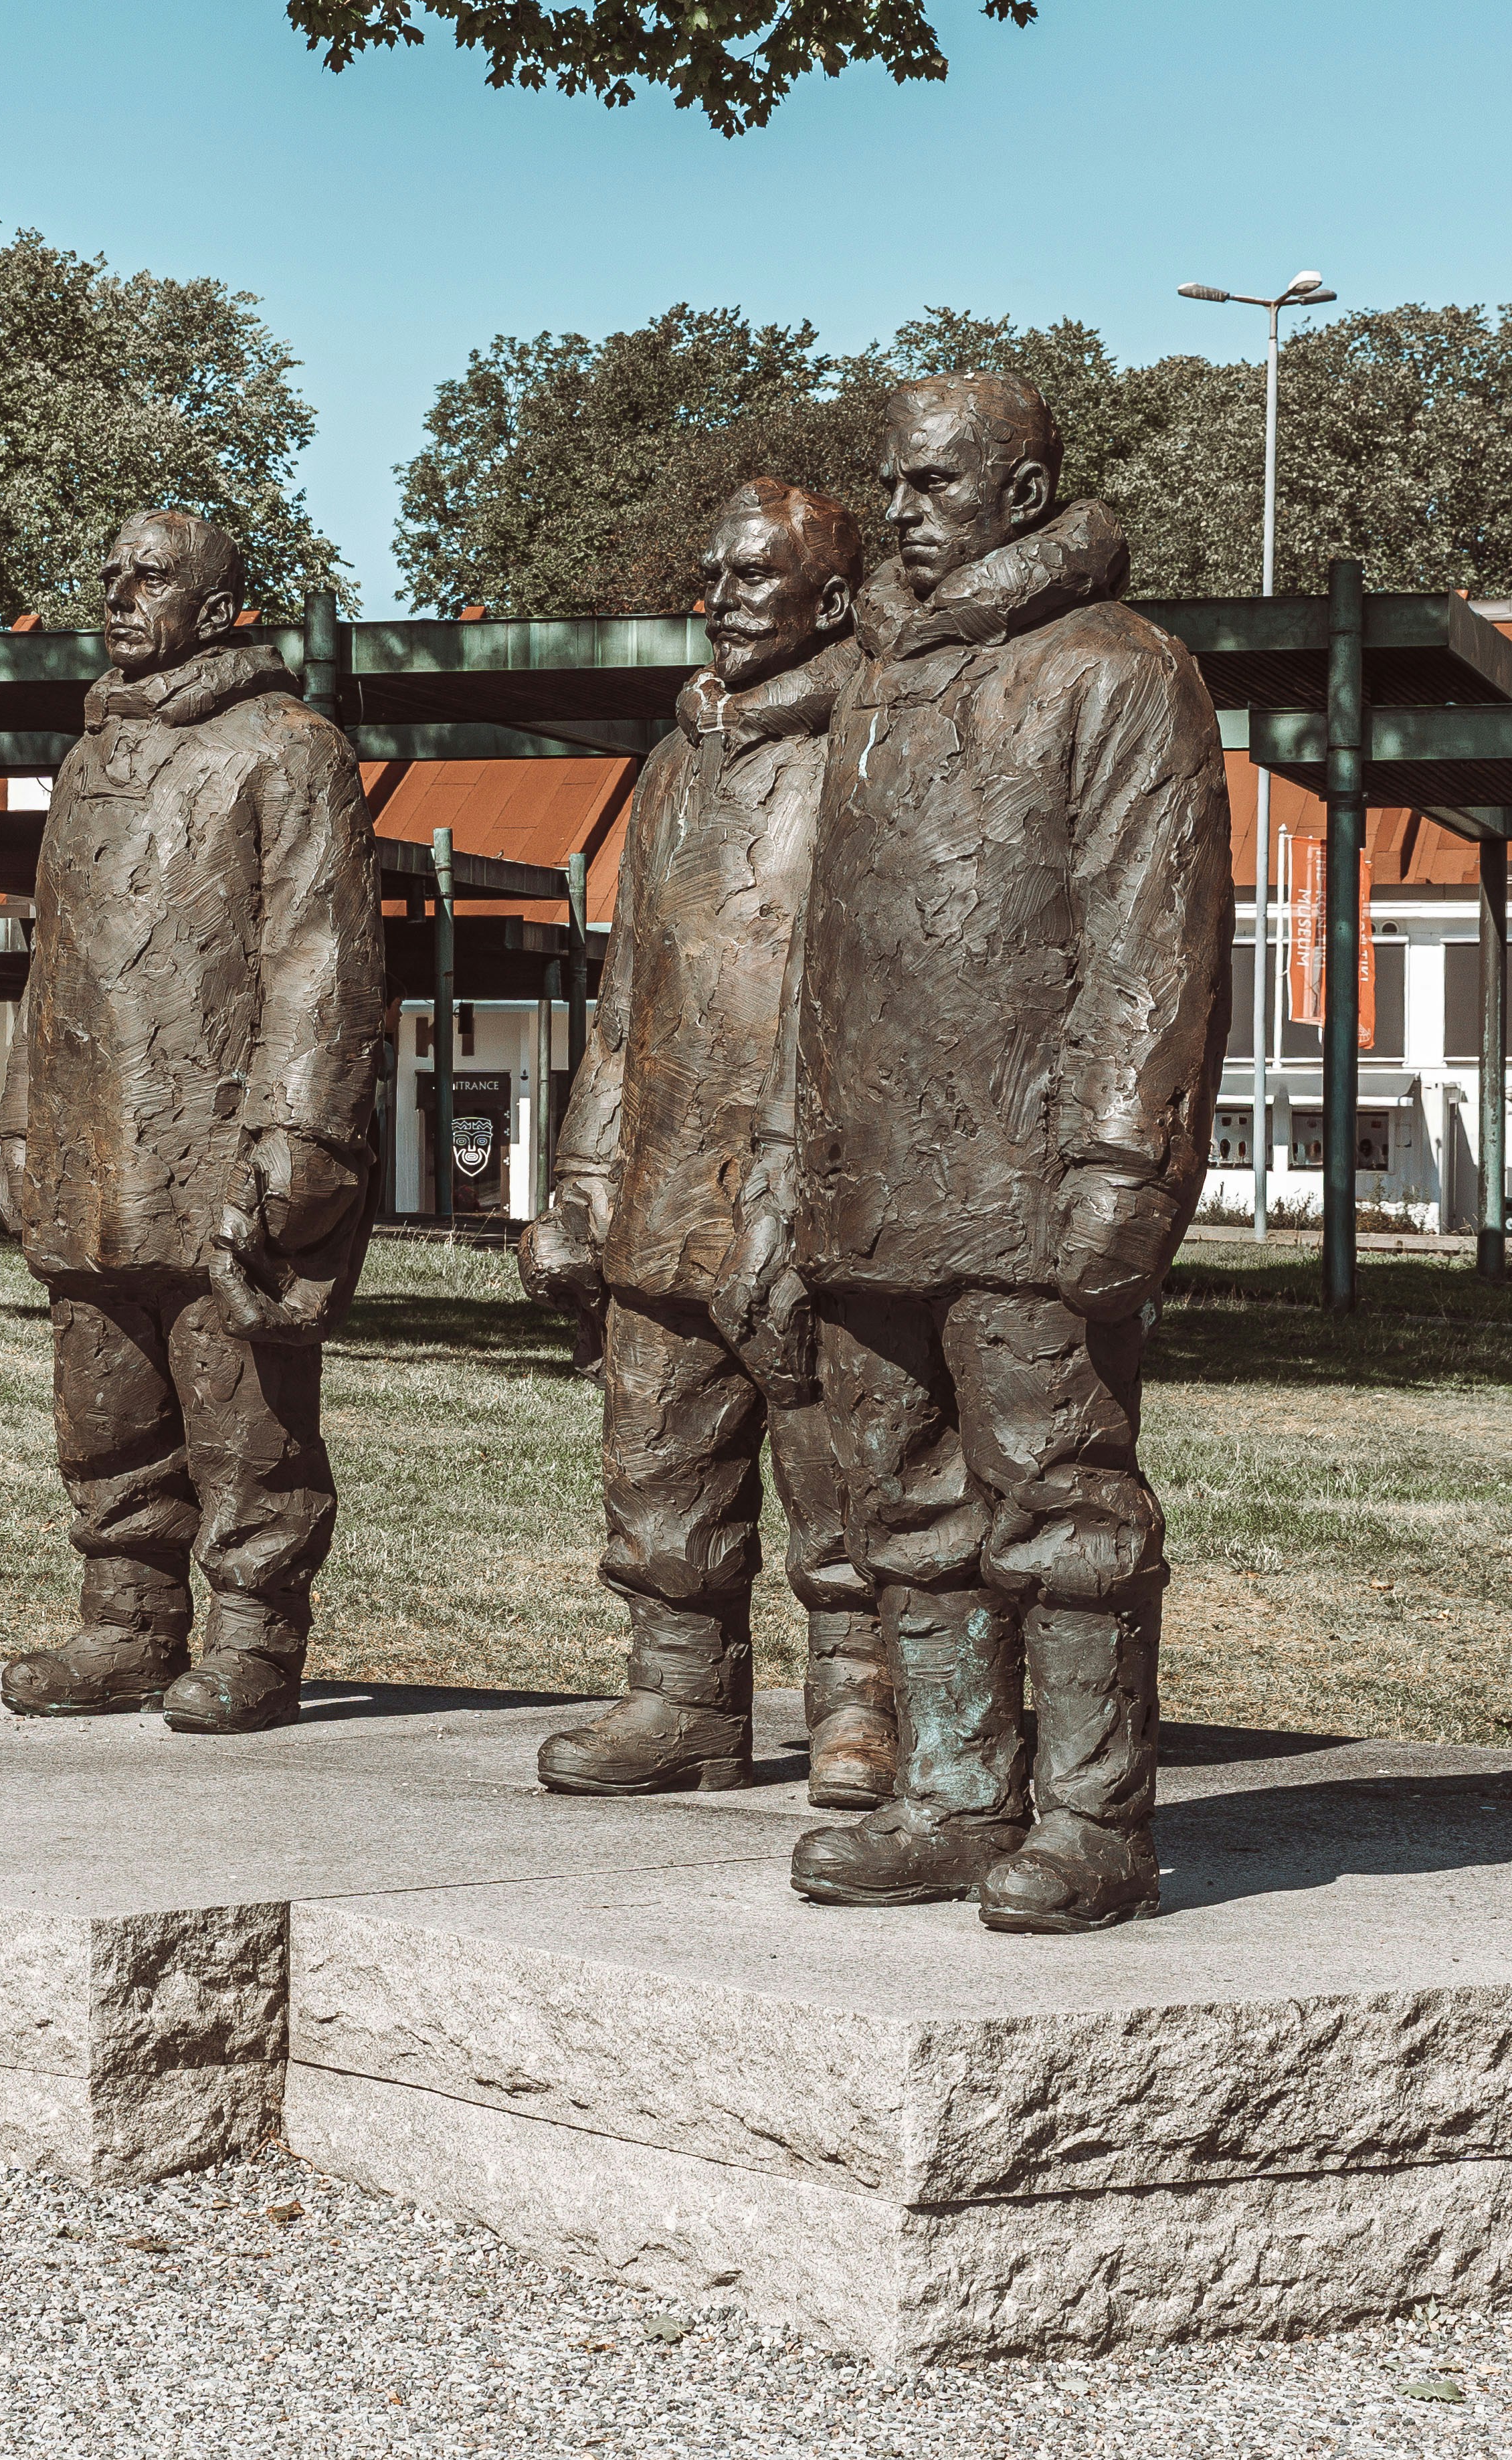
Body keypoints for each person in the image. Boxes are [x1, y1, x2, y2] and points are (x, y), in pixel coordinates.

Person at [520, 478, 1126, 1802]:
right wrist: (577, 1176)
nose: (719, 600)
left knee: (839, 1457)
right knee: (656, 1446)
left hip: (820, 1166)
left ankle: (862, 1699)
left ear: (832, 599)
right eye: (712, 576)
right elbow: (629, 988)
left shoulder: (874, 733)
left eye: (750, 578)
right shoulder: (676, 758)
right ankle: (677, 1691)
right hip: (665, 1166)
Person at [748, 371, 1230, 1935]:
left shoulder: (1118, 671)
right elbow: (816, 960)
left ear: (1020, 495)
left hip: (1029, 1176)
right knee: (901, 1502)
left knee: (1062, 1501)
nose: (897, 509)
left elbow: (1151, 937)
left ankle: (1093, 1815)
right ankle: (952, 1791)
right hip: (866, 1173)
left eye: (931, 481)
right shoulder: (874, 688)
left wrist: (1120, 1162)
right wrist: (781, 1160)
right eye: (887, 483)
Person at [0, 509, 387, 1736]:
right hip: (90, 1136)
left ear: (217, 610)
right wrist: (17, 1122)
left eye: (149, 578)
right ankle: (124, 1619)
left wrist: (298, 1140)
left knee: (245, 1411)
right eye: (107, 573)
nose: (117, 595)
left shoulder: (288, 747)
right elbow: (49, 959)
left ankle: (256, 1634)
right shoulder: (86, 759)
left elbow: (323, 957)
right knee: (103, 1403)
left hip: (224, 1142)